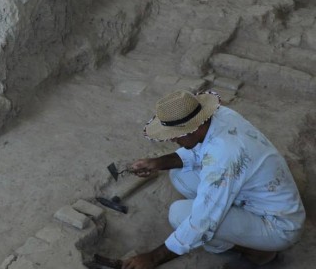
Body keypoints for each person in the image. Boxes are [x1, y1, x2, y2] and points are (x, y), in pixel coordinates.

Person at [122, 90, 304, 269]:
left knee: (179, 214)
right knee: (179, 175)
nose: (173, 140)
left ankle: (256, 251)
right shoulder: (220, 116)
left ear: (193, 127)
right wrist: (158, 162)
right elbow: (200, 153)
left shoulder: (224, 156)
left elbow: (202, 222)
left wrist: (153, 258)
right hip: (251, 196)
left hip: (278, 225)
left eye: (175, 135)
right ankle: (228, 214)